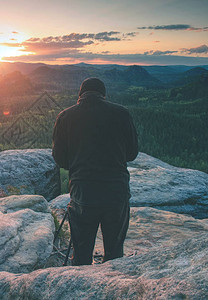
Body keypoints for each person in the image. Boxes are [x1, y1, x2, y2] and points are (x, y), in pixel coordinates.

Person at [52, 77, 138, 266]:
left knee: (81, 251)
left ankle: (81, 289)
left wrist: (77, 166)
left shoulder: (66, 116)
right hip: (116, 192)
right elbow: (132, 153)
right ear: (103, 95)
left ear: (80, 96)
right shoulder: (122, 113)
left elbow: (59, 158)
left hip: (84, 193)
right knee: (115, 252)